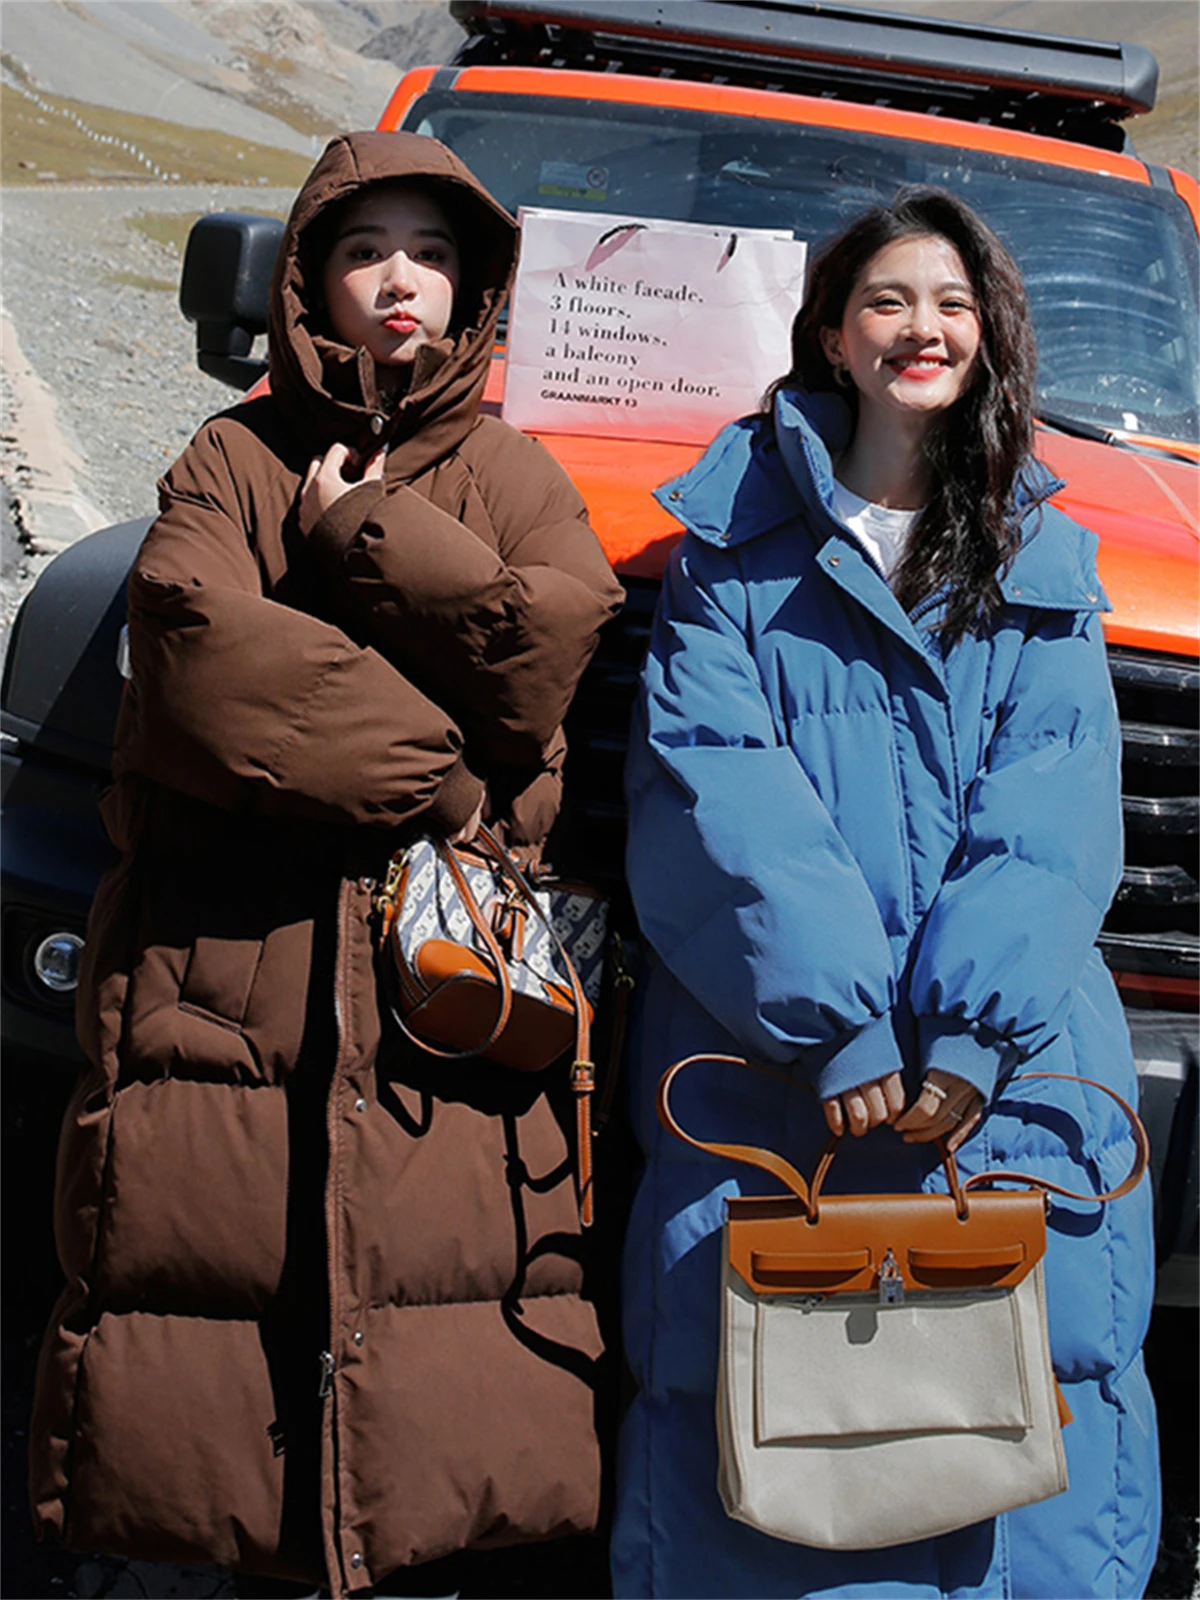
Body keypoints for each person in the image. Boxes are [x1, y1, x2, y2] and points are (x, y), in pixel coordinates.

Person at [29, 130, 624, 1595]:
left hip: (438, 1002)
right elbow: (195, 661)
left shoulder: (518, 473)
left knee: (439, 1375)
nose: (397, 280)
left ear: (475, 285)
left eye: (429, 251)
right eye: (363, 252)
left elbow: (550, 654)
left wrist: (364, 531)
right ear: (307, 284)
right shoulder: (230, 456)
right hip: (225, 979)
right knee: (198, 1389)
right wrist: (448, 777)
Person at [613, 188, 1159, 1598]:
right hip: (772, 1054)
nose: (924, 327)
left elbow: (1054, 809)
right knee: (751, 1414)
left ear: (989, 339)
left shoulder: (1047, 556)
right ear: (834, 336)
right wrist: (841, 1025)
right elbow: (711, 788)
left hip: (1014, 1061)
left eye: (954, 305)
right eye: (890, 302)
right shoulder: (727, 552)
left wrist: (969, 1034)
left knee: (1039, 1389)